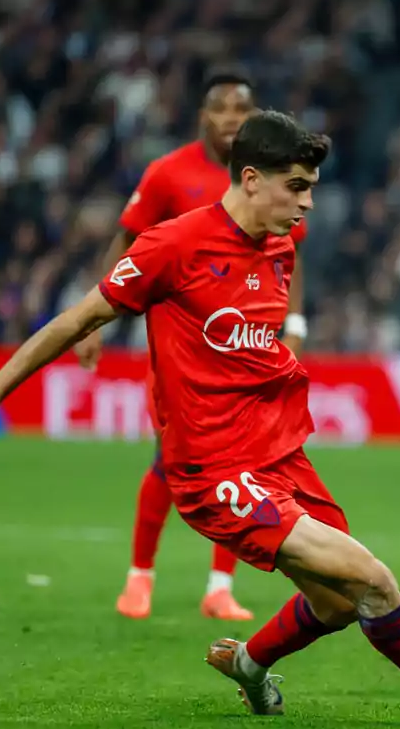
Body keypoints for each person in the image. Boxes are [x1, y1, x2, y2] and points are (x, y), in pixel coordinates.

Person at [0, 111, 400, 729]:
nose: (308, 203)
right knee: (375, 582)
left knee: (337, 603)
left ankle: (251, 664)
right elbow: (78, 319)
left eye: (312, 187)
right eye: (297, 186)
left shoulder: (281, 248)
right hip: (214, 469)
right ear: (252, 178)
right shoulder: (172, 245)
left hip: (280, 455)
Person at [74, 66, 311, 622]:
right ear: (204, 117)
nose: (231, 118)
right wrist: (94, 322)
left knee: (249, 464)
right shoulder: (168, 174)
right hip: (183, 347)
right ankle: (140, 576)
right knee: (171, 458)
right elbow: (128, 240)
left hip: (245, 345)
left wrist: (292, 326)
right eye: (221, 109)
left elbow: (289, 251)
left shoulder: (278, 180)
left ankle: (219, 586)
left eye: (241, 110)